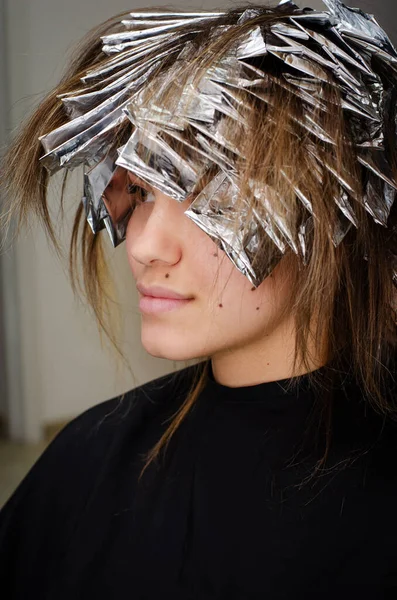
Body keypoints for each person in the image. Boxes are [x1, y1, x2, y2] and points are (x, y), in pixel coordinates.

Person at [0, 0, 397, 597]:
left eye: (208, 191)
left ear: (331, 210)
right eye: (138, 190)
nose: (143, 246)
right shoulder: (90, 462)